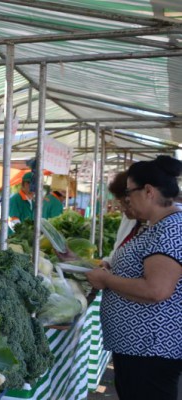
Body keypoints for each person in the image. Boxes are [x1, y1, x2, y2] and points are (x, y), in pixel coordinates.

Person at [85, 155, 182, 400]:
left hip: (151, 350)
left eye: (129, 193)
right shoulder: (157, 225)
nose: (126, 200)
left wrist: (107, 280)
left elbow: (157, 290)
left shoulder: (170, 228)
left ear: (148, 191)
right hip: (140, 349)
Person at [100, 171, 145, 268]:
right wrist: (108, 263)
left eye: (127, 202)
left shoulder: (165, 227)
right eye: (121, 203)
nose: (124, 209)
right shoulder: (129, 219)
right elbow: (117, 250)